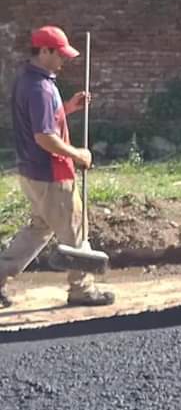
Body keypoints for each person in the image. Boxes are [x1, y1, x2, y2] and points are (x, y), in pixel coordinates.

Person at [0, 26, 115, 309]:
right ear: (44, 51)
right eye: (60, 54)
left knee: (38, 229)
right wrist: (78, 154)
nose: (64, 60)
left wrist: (67, 108)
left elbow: (43, 120)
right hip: (52, 173)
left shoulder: (27, 79)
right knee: (75, 230)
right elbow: (44, 137)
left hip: (32, 172)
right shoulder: (40, 87)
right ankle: (82, 289)